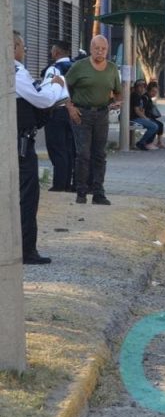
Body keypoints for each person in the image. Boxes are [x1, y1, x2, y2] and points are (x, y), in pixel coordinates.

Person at [13, 31, 66, 265]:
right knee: (27, 196)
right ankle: (26, 250)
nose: (24, 51)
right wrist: (56, 87)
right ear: (14, 46)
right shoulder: (14, 70)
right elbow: (42, 100)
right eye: (23, 46)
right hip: (20, 145)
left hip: (15, 142)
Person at [65, 34, 121, 205]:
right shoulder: (79, 67)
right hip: (82, 114)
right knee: (83, 154)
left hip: (102, 114)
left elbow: (118, 92)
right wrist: (70, 107)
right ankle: (81, 191)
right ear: (91, 49)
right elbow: (63, 86)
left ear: (107, 50)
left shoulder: (112, 69)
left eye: (103, 49)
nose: (100, 52)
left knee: (99, 154)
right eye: (97, 48)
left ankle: (98, 192)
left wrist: (118, 102)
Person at [42, 41, 76, 192]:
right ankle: (68, 183)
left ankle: (59, 184)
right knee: (70, 149)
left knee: (57, 149)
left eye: (52, 51)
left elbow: (48, 91)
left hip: (58, 111)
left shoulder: (54, 69)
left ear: (56, 52)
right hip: (75, 114)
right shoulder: (77, 67)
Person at [129, 79, 159, 151]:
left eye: (144, 87)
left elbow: (141, 109)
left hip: (137, 117)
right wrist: (145, 118)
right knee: (154, 126)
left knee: (155, 124)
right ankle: (142, 143)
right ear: (136, 87)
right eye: (140, 87)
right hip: (133, 118)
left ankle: (145, 142)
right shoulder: (135, 95)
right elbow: (137, 111)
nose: (142, 88)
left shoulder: (139, 96)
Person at [145, 81, 165, 148]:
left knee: (160, 124)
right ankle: (148, 142)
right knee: (155, 125)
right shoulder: (145, 98)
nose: (154, 93)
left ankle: (159, 142)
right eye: (152, 91)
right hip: (145, 117)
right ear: (148, 90)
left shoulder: (149, 98)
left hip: (149, 117)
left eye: (156, 92)